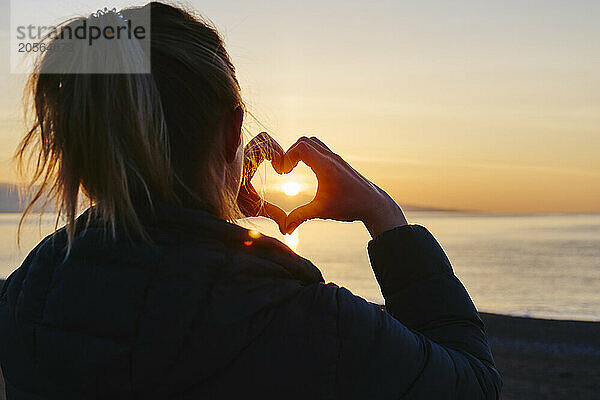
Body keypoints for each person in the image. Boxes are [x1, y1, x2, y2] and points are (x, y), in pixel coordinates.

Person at [0, 2, 501, 399]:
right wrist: (385, 217)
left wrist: (211, 200)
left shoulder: (26, 299)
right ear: (232, 130)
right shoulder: (303, 323)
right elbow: (473, 382)